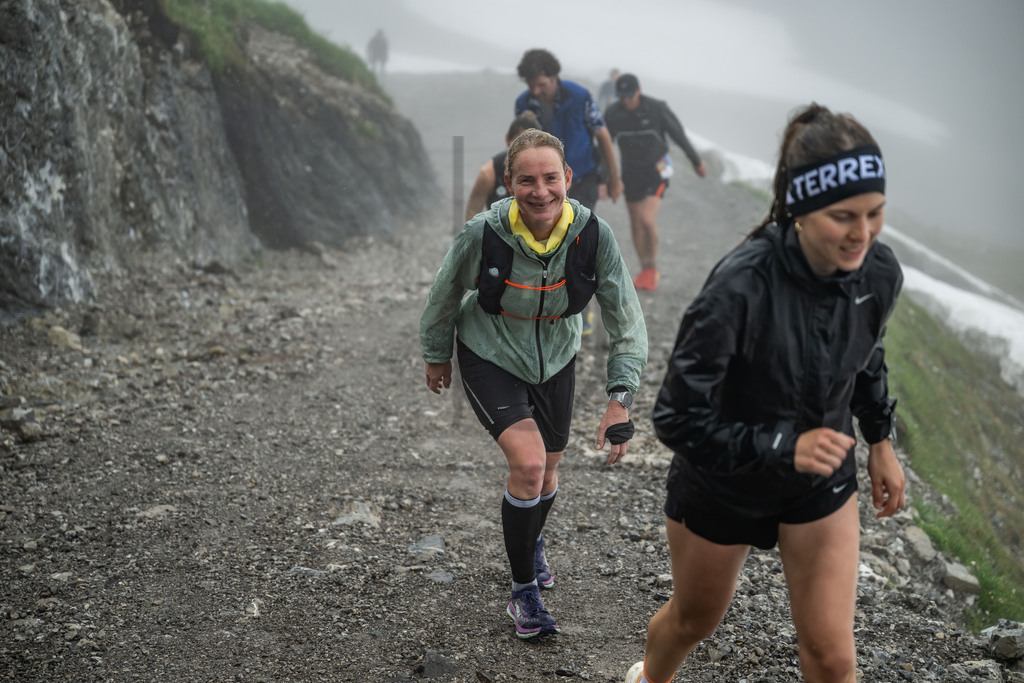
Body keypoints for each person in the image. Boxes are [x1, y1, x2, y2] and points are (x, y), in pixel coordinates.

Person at [625, 103, 906, 683]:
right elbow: (675, 416)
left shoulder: (879, 273)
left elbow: (866, 351)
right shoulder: (740, 287)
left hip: (820, 484)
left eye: (875, 213)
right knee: (694, 620)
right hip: (722, 485)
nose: (864, 234)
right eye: (844, 216)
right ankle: (649, 678)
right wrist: (784, 447)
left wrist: (879, 439)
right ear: (800, 208)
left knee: (832, 658)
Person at [421, 129, 648, 639]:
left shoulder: (593, 235)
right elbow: (443, 293)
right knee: (526, 466)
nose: (540, 191)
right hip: (490, 353)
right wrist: (437, 354)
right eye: (527, 180)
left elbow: (627, 322)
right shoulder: (483, 233)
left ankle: (530, 539)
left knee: (546, 475)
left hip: (557, 359)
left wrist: (620, 398)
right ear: (509, 183)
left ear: (567, 178)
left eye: (550, 179)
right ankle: (524, 592)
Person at [604, 73, 706, 292]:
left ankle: (652, 267)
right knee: (635, 222)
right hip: (630, 173)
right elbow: (604, 146)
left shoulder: (657, 108)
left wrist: (696, 161)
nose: (625, 101)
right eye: (622, 97)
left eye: (629, 96)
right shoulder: (613, 113)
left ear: (639, 91)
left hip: (657, 170)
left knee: (647, 220)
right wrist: (605, 179)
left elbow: (678, 134)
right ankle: (645, 269)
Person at [514, 49, 623, 212]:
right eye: (531, 86)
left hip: (582, 178)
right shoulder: (523, 103)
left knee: (577, 233)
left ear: (554, 78)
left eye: (541, 85)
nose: (536, 91)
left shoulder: (579, 96)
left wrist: (614, 179)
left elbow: (602, 135)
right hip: (543, 184)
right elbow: (521, 146)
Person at [464, 111, 540, 221]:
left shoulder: (550, 172)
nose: (523, 152)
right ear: (507, 140)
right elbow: (472, 214)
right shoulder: (489, 173)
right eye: (519, 144)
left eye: (529, 146)